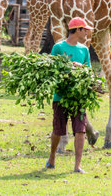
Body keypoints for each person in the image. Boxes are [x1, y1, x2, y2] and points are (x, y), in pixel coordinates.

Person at [45, 17, 93, 174]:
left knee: (80, 130)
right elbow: (51, 68)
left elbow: (89, 71)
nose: (87, 32)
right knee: (58, 131)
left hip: (79, 96)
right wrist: (68, 66)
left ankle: (77, 165)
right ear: (78, 30)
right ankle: (52, 157)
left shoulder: (84, 50)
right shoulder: (58, 47)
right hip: (61, 96)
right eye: (85, 29)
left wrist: (81, 68)